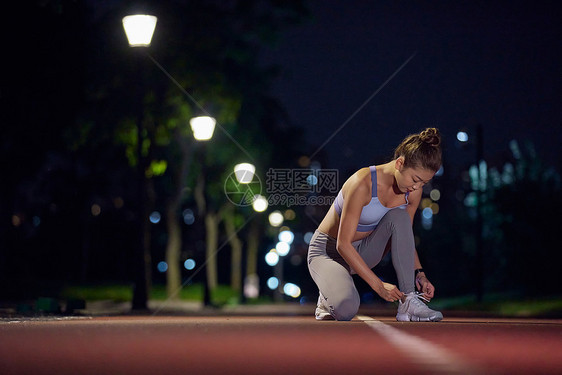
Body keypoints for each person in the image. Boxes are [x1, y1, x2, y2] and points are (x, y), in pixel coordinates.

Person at [307, 128, 443, 322]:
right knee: (345, 310)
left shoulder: (411, 192)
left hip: (364, 251)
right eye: (415, 179)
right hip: (328, 252)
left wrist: (419, 273)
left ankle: (409, 302)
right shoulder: (363, 183)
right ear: (400, 163)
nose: (417, 187)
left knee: (401, 217)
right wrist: (379, 285)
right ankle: (329, 295)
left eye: (424, 183)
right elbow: (343, 244)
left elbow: (405, 236)